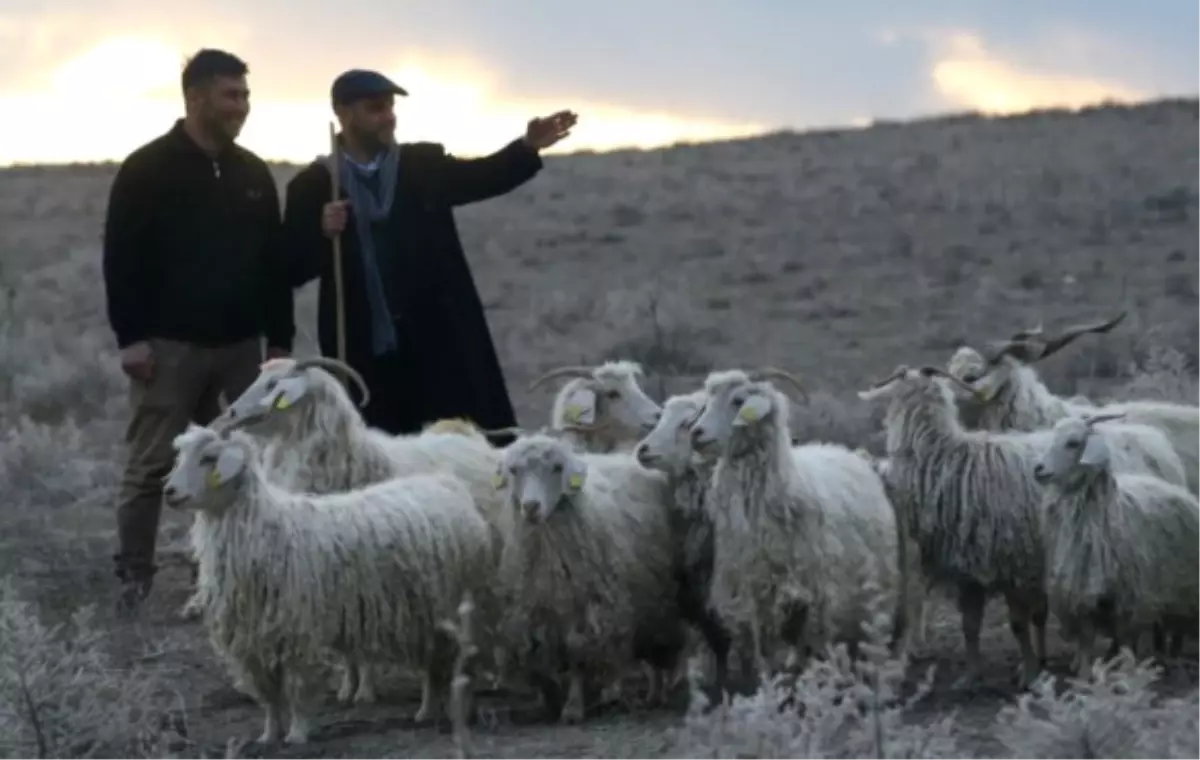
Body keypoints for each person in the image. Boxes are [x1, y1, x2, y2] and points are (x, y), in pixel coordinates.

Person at [281, 69, 576, 441]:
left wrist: (527, 146)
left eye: (390, 107)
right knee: (383, 450)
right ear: (344, 113)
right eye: (375, 108)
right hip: (364, 346)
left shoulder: (422, 165)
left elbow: (482, 177)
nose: (388, 116)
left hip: (440, 336)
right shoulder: (314, 186)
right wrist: (320, 232)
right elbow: (291, 267)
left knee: (462, 443)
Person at [102, 48, 294, 614]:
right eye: (231, 95)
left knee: (241, 463)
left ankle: (228, 577)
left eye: (246, 95)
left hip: (241, 349)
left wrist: (279, 342)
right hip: (168, 347)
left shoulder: (252, 173)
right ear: (195, 98)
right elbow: (122, 259)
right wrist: (131, 338)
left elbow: (273, 265)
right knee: (152, 466)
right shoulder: (146, 169)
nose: (242, 106)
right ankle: (134, 580)